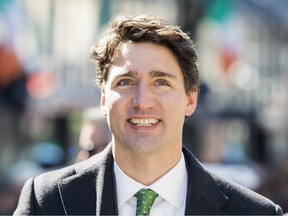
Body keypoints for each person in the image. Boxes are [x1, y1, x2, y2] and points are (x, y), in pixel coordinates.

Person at [13, 14, 283, 215]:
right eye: (126, 82)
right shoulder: (46, 201)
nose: (142, 102)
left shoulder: (253, 212)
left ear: (190, 100)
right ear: (104, 100)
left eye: (161, 82)